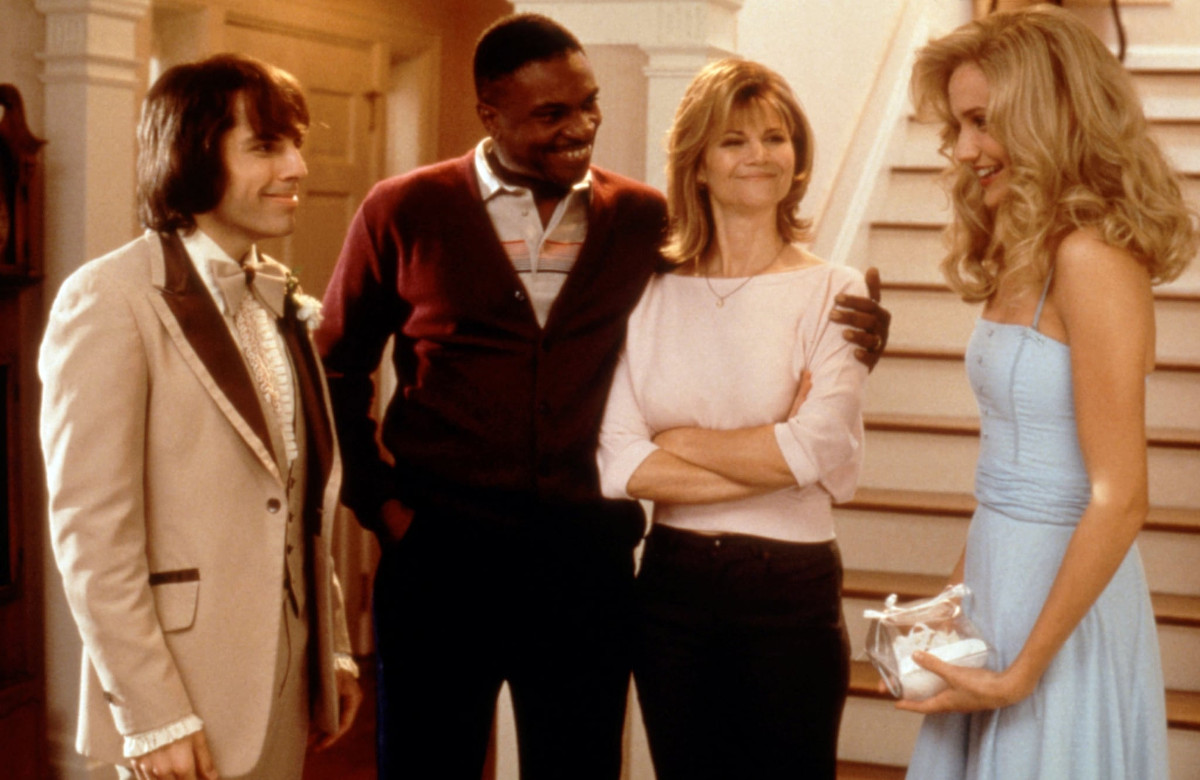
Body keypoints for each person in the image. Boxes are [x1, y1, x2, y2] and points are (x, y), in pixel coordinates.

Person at [316, 13, 889, 780]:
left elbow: (741, 295)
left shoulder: (643, 222)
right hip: (439, 562)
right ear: (490, 113)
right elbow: (335, 369)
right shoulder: (403, 209)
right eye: (551, 114)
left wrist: (860, 332)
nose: (581, 128)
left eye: (589, 105)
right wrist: (381, 505)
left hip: (584, 569)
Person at [39, 54, 362, 780]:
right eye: (266, 146)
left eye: (296, 144)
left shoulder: (276, 296)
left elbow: (295, 500)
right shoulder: (109, 299)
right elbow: (92, 535)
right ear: (192, 153)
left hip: (285, 679)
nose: (298, 167)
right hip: (181, 690)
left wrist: (331, 647)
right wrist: (153, 715)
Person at [900, 6, 1197, 778]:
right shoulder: (1027, 247)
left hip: (1061, 611)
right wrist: (952, 600)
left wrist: (1021, 673)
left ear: (1049, 117)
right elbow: (1010, 470)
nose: (964, 150)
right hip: (1000, 577)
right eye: (958, 126)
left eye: (982, 122)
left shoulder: (1093, 258)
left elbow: (1121, 498)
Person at [595, 58, 869, 779]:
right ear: (698, 165)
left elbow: (813, 449)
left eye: (776, 138)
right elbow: (620, 462)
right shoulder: (647, 294)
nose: (760, 156)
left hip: (792, 586)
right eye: (734, 141)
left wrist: (678, 441)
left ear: (797, 157)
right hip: (672, 586)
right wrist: (780, 458)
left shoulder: (836, 291)